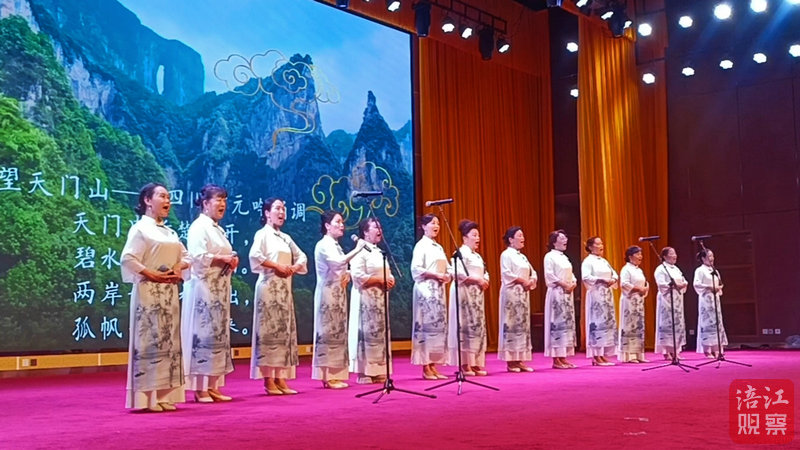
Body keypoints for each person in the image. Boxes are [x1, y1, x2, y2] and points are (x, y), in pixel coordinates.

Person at [121, 182, 191, 412]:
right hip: (148, 292)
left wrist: (178, 268)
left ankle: (163, 394)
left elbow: (187, 257)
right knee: (149, 341)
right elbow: (128, 258)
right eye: (162, 196)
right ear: (147, 201)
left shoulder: (170, 232)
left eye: (169, 197)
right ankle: (146, 398)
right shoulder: (140, 229)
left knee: (168, 341)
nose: (167, 201)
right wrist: (151, 274)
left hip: (169, 293)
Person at [182, 184, 238, 403]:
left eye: (224, 200)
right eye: (218, 200)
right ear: (205, 203)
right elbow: (196, 256)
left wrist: (231, 259)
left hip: (219, 289)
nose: (222, 204)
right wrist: (221, 258)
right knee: (202, 334)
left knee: (217, 335)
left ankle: (213, 384)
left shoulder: (217, 228)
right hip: (203, 288)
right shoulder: (199, 226)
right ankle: (200, 388)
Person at [249, 198, 308, 395]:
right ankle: (268, 379)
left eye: (283, 209)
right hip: (268, 287)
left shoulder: (285, 238)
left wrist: (293, 267)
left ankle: (280, 377)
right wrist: (276, 266)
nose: (282, 212)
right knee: (269, 332)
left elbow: (302, 256)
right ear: (267, 213)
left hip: (284, 289)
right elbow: (255, 255)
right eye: (277, 208)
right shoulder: (262, 234)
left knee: (283, 332)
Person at [312, 210, 366, 389]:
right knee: (327, 331)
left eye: (342, 222)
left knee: (337, 331)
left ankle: (335, 374)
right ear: (327, 225)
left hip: (338, 292)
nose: (342, 225)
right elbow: (337, 262)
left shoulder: (335, 245)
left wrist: (348, 273)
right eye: (337, 222)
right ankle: (327, 376)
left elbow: (340, 267)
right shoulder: (324, 244)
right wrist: (357, 249)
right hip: (327, 293)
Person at [349, 217, 395, 384]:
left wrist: (390, 280)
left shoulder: (379, 251)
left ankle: (378, 369)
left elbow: (387, 272)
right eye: (375, 227)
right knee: (366, 332)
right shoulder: (360, 251)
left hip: (380, 299)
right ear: (365, 232)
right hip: (365, 298)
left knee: (379, 333)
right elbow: (357, 275)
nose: (379, 230)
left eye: (380, 227)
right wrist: (379, 280)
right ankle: (364, 371)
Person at [411, 214, 453, 380]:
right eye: (432, 223)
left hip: (438, 291)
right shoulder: (421, 245)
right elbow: (416, 269)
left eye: (438, 223)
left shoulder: (438, 247)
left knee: (437, 329)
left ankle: (434, 365)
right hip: (425, 291)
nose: (436, 226)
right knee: (425, 327)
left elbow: (448, 268)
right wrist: (436, 275)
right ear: (423, 226)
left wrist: (447, 275)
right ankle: (425, 366)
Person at [447, 220, 489, 376]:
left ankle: (475, 362)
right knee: (464, 326)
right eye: (474, 235)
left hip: (476, 295)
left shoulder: (477, 256)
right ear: (465, 238)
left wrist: (485, 280)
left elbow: (485, 271)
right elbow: (456, 273)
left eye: (478, 235)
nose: (478, 238)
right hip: (464, 293)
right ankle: (465, 364)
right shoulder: (460, 253)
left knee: (476, 327)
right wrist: (476, 280)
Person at [498, 226, 537, 373]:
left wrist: (531, 280)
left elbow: (533, 272)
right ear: (511, 239)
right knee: (511, 324)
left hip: (523, 295)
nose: (522, 238)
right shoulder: (506, 254)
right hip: (511, 295)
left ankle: (520, 359)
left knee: (522, 326)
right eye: (519, 236)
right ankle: (511, 361)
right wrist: (522, 280)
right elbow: (507, 273)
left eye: (523, 236)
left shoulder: (522, 257)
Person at [581, 236, 619, 366]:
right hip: (596, 295)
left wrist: (613, 280)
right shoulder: (588, 261)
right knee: (597, 323)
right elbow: (586, 276)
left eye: (602, 243)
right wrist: (601, 280)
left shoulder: (604, 261)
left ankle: (602, 354)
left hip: (606, 295)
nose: (601, 246)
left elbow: (614, 273)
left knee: (606, 324)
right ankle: (595, 356)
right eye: (598, 244)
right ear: (590, 247)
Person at [543, 229, 578, 369]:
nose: (565, 240)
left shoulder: (564, 257)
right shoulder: (549, 256)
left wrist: (573, 283)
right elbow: (549, 274)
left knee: (566, 325)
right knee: (556, 324)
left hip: (567, 294)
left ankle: (563, 357)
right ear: (554, 242)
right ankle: (556, 359)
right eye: (562, 238)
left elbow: (571, 274)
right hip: (556, 293)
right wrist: (563, 284)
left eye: (565, 238)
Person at [654, 247, 688, 360]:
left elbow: (683, 280)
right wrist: (674, 285)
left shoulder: (676, 269)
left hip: (677, 299)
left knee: (677, 324)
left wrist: (683, 284)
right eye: (671, 254)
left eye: (675, 253)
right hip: (666, 299)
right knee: (666, 324)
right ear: (664, 256)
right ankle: (666, 351)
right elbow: (661, 284)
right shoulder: (661, 269)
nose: (674, 256)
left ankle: (676, 351)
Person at [617, 245, 649, 363]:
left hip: (638, 301)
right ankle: (630, 355)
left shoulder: (639, 270)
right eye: (638, 254)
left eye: (641, 254)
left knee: (638, 326)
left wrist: (644, 289)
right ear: (630, 256)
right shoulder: (626, 269)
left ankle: (639, 354)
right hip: (629, 301)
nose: (640, 256)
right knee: (629, 326)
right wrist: (638, 289)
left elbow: (644, 284)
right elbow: (624, 284)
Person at [694, 248, 727, 359]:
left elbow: (720, 283)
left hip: (715, 299)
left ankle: (717, 349)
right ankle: (707, 350)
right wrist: (709, 287)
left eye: (712, 256)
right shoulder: (700, 270)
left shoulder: (714, 270)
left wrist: (719, 287)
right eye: (709, 256)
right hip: (706, 299)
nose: (712, 258)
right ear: (703, 258)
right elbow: (696, 284)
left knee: (717, 323)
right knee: (707, 323)